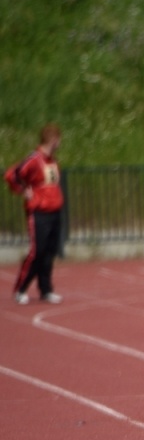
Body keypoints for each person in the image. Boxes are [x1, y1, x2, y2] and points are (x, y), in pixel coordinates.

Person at [7, 124, 65, 306]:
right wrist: (23, 190)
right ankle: (21, 289)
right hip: (39, 211)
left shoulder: (52, 161)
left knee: (50, 251)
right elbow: (13, 174)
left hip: (54, 210)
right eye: (59, 139)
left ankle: (46, 289)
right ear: (53, 140)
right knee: (37, 251)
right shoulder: (34, 159)